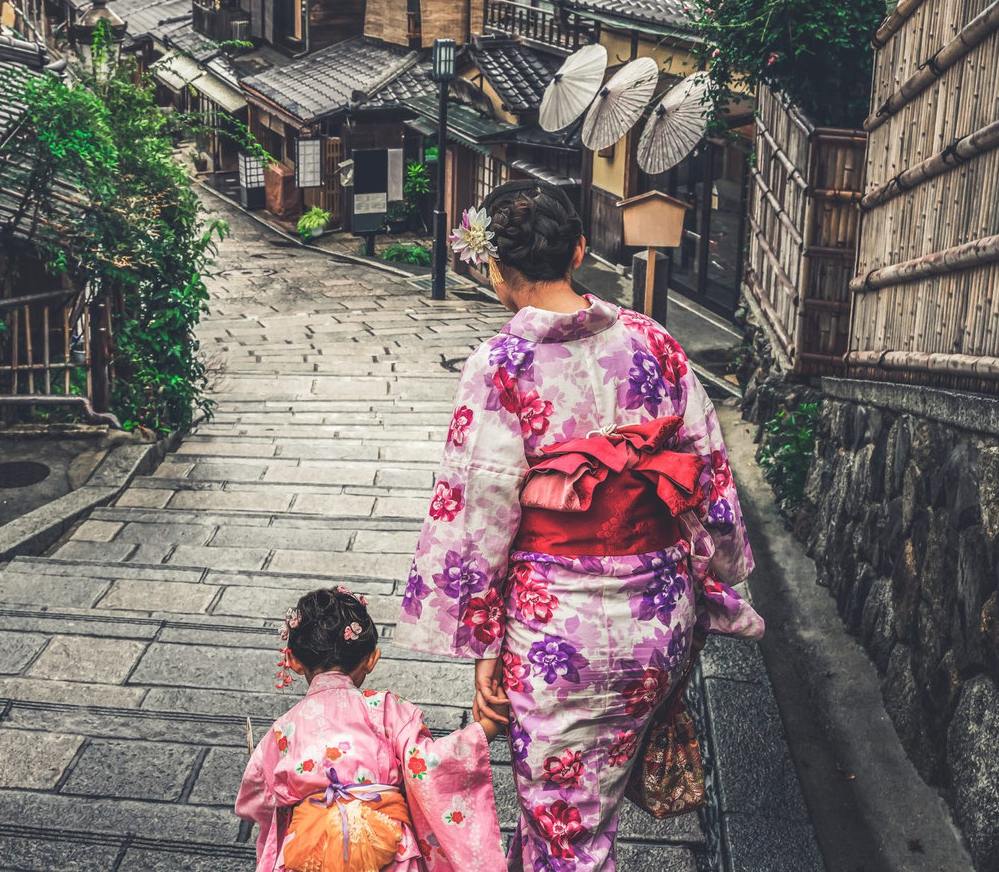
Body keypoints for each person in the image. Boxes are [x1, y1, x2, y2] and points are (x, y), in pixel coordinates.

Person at [397, 179, 764, 871]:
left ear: (497, 270)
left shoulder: (502, 365)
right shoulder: (654, 343)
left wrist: (482, 641)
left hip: (557, 633)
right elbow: (710, 468)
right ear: (581, 250)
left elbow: (477, 514)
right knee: (574, 810)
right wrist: (723, 569)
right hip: (657, 623)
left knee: (570, 832)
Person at [237, 587, 508, 872]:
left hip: (309, 849)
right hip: (385, 847)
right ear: (370, 659)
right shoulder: (386, 709)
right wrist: (485, 728)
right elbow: (428, 765)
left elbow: (255, 798)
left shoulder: (283, 729)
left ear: (291, 660)